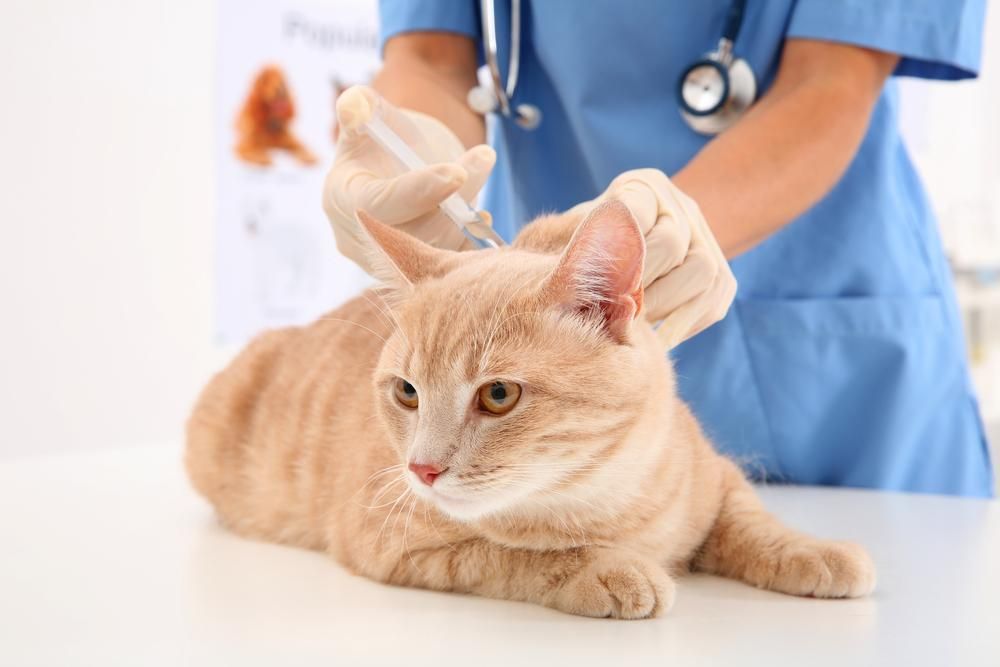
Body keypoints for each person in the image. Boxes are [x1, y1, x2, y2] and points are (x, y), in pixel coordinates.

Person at [324, 0, 993, 498]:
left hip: (838, 375)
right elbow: (427, 56)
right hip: (533, 374)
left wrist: (658, 234)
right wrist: (417, 157)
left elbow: (834, 77)